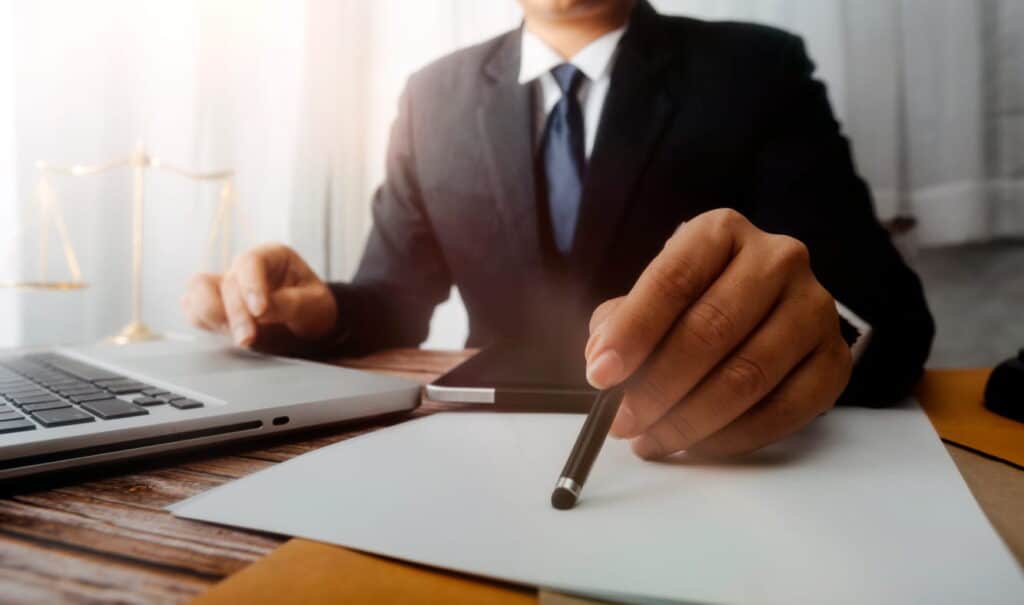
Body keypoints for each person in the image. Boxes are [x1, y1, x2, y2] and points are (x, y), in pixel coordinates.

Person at [182, 0, 934, 459]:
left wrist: (823, 333)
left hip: (702, 455)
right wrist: (318, 312)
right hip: (475, 455)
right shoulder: (430, 97)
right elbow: (394, 299)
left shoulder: (756, 68)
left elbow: (882, 315)